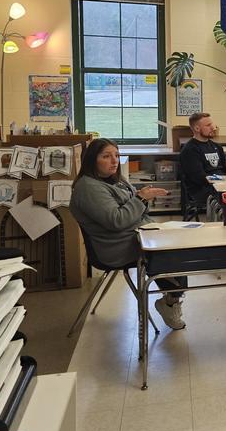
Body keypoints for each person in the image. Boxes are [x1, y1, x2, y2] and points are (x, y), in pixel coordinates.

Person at [70, 138, 189, 330]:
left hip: (134, 235)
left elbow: (137, 211)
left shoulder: (113, 181)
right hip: (115, 247)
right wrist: (141, 197)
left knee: (178, 244)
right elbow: (117, 221)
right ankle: (170, 302)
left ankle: (171, 299)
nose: (114, 161)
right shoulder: (88, 187)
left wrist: (142, 198)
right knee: (173, 255)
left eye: (116, 155)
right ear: (92, 160)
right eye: (106, 156)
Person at [178, 112, 226, 217]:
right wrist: (221, 182)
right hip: (201, 189)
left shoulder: (217, 147)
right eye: (208, 125)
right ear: (197, 128)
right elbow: (199, 178)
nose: (213, 128)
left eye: (212, 124)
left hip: (222, 185)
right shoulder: (189, 150)